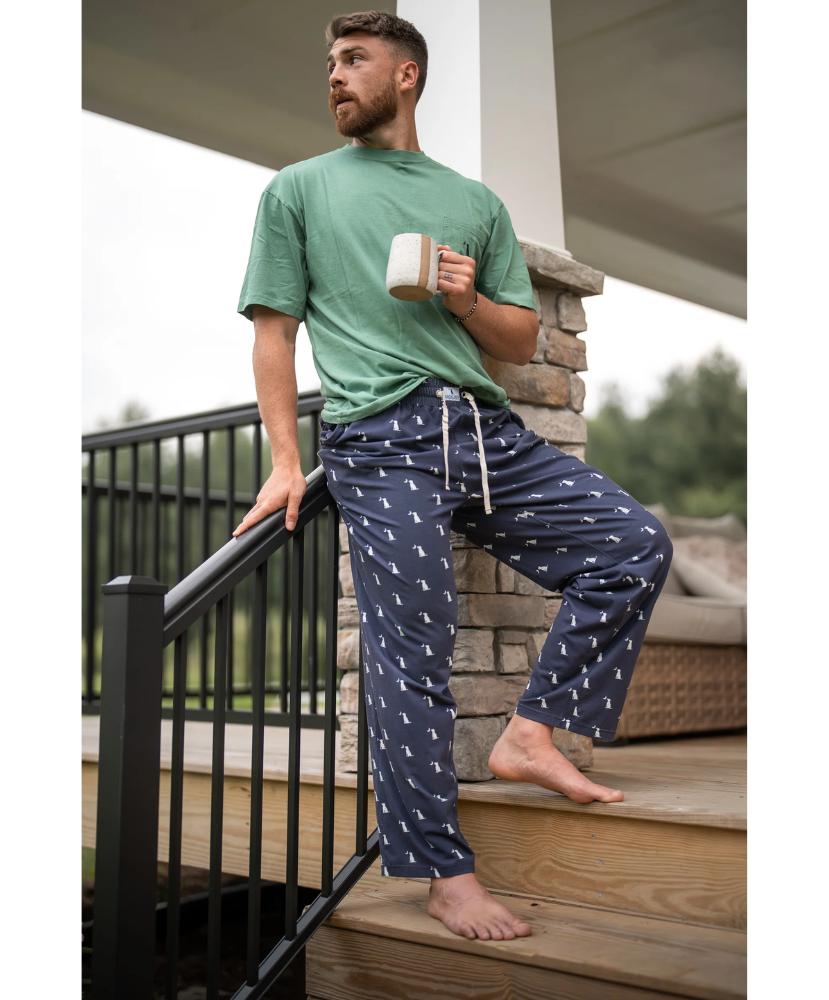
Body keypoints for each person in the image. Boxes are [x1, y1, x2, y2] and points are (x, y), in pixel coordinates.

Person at [235, 10, 672, 943]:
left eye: (353, 60)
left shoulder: (471, 198)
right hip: (380, 443)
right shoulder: (298, 190)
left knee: (632, 545)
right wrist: (283, 462)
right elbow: (273, 331)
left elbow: (520, 340)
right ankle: (442, 873)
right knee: (413, 654)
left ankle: (530, 731)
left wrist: (465, 298)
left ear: (406, 76)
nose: (334, 77)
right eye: (330, 63)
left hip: (484, 432)